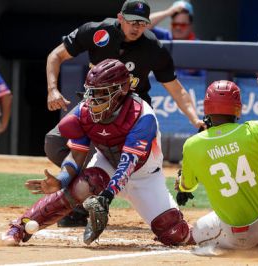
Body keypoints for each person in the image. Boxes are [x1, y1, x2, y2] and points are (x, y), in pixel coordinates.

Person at [2, 59, 195, 247]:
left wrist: (106, 198)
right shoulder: (84, 112)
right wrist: (61, 180)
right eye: (92, 93)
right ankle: (19, 228)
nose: (93, 100)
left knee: (174, 233)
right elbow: (77, 155)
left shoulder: (142, 116)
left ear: (123, 90)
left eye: (102, 93)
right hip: (106, 165)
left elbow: (127, 165)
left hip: (144, 177)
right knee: (83, 184)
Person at [45, 0, 203, 227]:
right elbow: (56, 55)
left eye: (142, 23)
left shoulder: (153, 48)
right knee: (55, 142)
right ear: (120, 18)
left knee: (130, 165)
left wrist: (196, 119)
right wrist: (52, 89)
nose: (136, 27)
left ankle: (119, 195)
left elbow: (176, 89)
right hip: (96, 109)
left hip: (131, 117)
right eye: (132, 21)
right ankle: (83, 204)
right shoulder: (97, 31)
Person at [176, 77, 258, 250]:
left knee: (191, 235)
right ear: (237, 109)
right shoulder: (257, 130)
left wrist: (181, 185)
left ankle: (256, 242)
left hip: (236, 236)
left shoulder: (192, 145)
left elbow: (188, 187)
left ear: (207, 108)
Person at [148, 1, 204, 77]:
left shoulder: (199, 46)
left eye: (182, 25)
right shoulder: (164, 36)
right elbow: (142, 26)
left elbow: (205, 79)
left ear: (191, 26)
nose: (178, 28)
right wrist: (168, 12)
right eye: (175, 24)